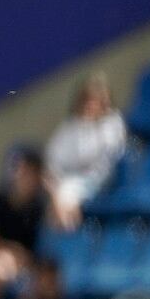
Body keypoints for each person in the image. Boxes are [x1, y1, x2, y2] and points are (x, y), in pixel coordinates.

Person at [43, 72, 125, 229]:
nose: (90, 105)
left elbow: (109, 159)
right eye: (87, 100)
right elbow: (53, 162)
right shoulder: (70, 127)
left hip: (100, 181)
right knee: (59, 196)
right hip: (66, 183)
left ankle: (70, 232)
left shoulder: (113, 123)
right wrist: (56, 186)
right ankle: (66, 233)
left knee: (66, 193)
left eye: (95, 101)